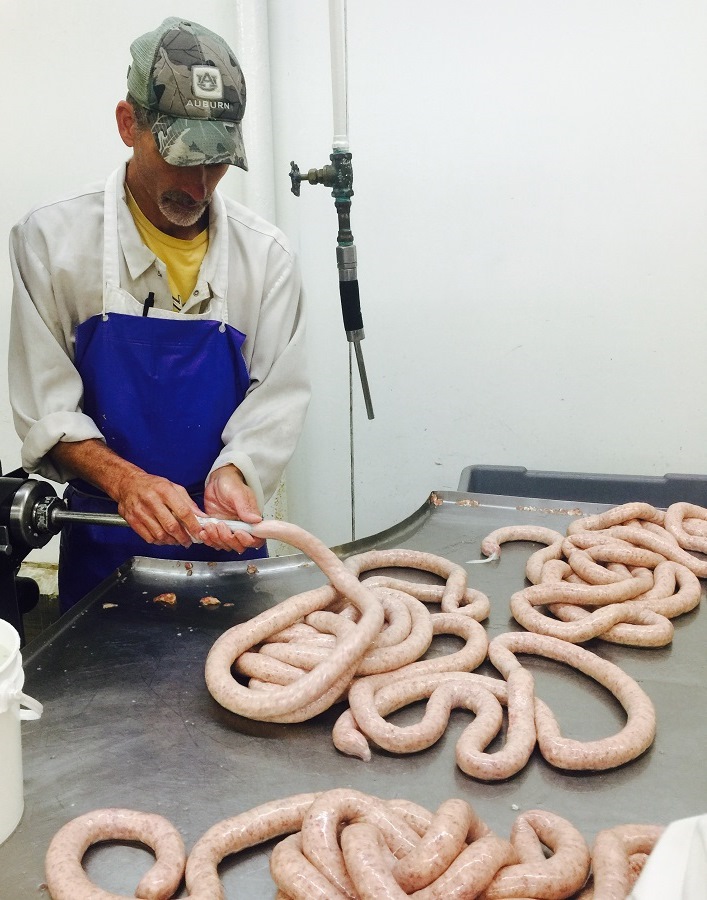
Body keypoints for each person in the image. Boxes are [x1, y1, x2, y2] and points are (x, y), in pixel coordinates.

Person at [8, 17, 310, 612]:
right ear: (129, 124)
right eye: (181, 158)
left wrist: (236, 474)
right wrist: (127, 483)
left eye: (216, 162)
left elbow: (276, 404)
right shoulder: (51, 243)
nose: (199, 186)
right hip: (106, 543)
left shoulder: (266, 258)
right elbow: (48, 411)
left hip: (227, 543)